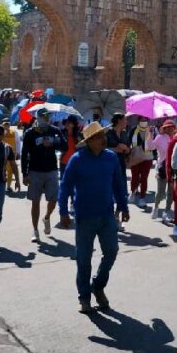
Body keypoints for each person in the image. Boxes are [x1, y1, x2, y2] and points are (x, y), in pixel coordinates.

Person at [58, 121, 129, 314]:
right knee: (83, 259)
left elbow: (118, 184)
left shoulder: (111, 157)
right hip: (84, 217)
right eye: (98, 137)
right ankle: (84, 297)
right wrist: (63, 211)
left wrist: (123, 206)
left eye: (103, 136)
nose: (103, 140)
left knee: (112, 251)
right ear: (88, 141)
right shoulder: (77, 159)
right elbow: (65, 187)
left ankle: (98, 285)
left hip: (106, 215)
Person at [22, 109, 66, 240]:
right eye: (44, 117)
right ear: (38, 118)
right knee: (35, 202)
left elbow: (65, 146)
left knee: (53, 200)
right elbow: (24, 154)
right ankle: (35, 231)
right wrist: (24, 173)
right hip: (35, 170)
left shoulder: (54, 131)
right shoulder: (30, 133)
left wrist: (52, 143)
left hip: (51, 169)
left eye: (48, 117)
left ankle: (46, 217)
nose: (47, 120)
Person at [149, 120, 176, 222]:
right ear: (164, 128)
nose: (170, 129)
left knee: (171, 192)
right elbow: (150, 147)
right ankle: (155, 208)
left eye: (172, 127)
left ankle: (166, 212)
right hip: (162, 168)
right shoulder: (160, 137)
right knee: (160, 192)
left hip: (173, 168)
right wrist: (150, 134)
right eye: (167, 127)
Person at [128, 118, 154, 206]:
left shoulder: (152, 130)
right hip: (136, 156)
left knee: (144, 178)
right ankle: (133, 192)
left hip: (147, 157)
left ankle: (142, 197)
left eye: (145, 120)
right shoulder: (134, 130)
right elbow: (129, 141)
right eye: (141, 120)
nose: (143, 122)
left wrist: (150, 134)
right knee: (134, 176)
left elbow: (154, 146)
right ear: (138, 120)